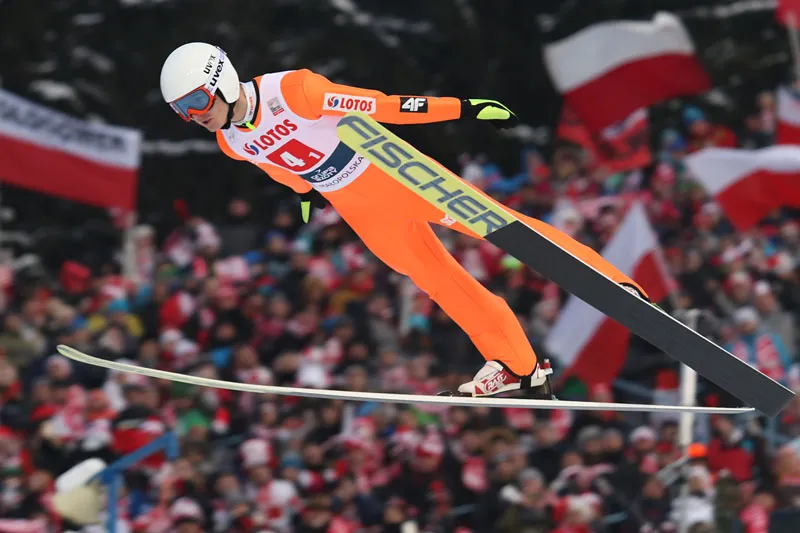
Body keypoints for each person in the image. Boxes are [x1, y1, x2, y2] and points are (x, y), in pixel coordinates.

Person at [159, 42, 650, 397]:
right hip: (358, 208)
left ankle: (613, 283)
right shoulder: (230, 140)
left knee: (500, 226)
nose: (193, 115)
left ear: (221, 80)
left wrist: (463, 108)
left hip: (393, 174)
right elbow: (279, 166)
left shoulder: (294, 90)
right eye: (181, 110)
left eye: (196, 101)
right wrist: (305, 195)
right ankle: (517, 364)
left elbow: (386, 106)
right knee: (436, 279)